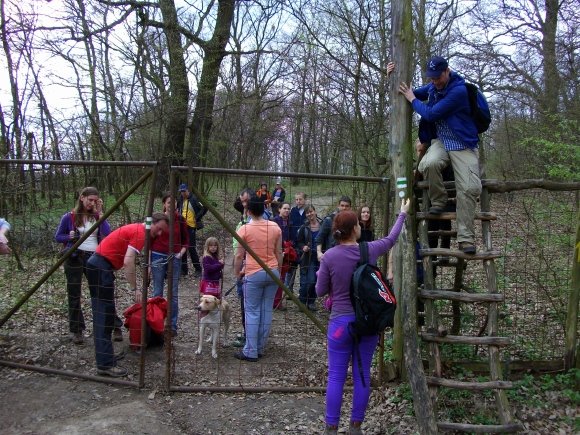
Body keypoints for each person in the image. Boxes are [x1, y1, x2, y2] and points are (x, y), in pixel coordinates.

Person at [315, 199, 410, 434]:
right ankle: (356, 427)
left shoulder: (328, 257)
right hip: (366, 324)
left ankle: (331, 428)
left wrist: (323, 275)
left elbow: (318, 291)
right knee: (362, 374)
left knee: (336, 377)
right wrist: (402, 213)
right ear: (355, 229)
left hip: (339, 324)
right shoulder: (369, 249)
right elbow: (391, 239)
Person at [397, 55, 482, 254]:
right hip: (441, 141)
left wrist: (412, 99)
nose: (435, 81)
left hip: (462, 143)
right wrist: (392, 75)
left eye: (438, 77)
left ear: (447, 71)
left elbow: (431, 113)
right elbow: (408, 91)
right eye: (432, 78)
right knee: (429, 163)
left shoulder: (458, 91)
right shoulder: (434, 88)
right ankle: (439, 200)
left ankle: (466, 238)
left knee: (469, 187)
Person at [86, 213, 169, 377]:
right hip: (101, 267)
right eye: (159, 229)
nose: (159, 234)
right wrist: (134, 288)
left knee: (107, 313)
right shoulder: (140, 233)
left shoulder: (139, 230)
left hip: (101, 266)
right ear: (151, 223)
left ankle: (106, 357)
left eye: (162, 232)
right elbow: (128, 261)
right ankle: (105, 364)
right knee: (103, 315)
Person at [54, 187, 111, 345]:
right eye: (89, 200)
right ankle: (77, 330)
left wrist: (100, 213)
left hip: (94, 258)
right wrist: (69, 236)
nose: (91, 203)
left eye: (95, 200)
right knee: (74, 294)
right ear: (82, 198)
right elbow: (58, 237)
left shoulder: (96, 216)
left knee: (100, 291)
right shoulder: (69, 217)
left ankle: (108, 326)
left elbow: (107, 232)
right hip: (74, 257)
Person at [233, 194, 282, 362]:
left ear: (249, 210)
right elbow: (278, 252)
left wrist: (237, 274)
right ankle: (260, 347)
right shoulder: (275, 227)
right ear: (264, 208)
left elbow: (239, 256)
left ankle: (251, 351)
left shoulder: (244, 229)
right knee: (266, 310)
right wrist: (278, 271)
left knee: (252, 311)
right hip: (273, 271)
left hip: (253, 273)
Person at [150, 193, 189, 337]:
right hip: (157, 257)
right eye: (168, 202)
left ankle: (172, 326)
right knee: (157, 292)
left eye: (174, 202)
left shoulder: (181, 220)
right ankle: (157, 324)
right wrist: (148, 264)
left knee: (173, 293)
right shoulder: (157, 219)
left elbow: (186, 241)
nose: (171, 205)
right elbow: (150, 241)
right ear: (163, 204)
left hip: (175, 257)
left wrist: (181, 253)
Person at [177, 183, 207, 277]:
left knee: (191, 247)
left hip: (191, 226)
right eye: (181, 191)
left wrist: (197, 217)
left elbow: (204, 208)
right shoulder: (180, 200)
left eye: (184, 191)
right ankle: (184, 269)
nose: (182, 193)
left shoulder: (194, 199)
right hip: (182, 226)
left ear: (187, 190)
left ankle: (198, 269)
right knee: (183, 248)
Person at [295, 204, 321, 311]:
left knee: (315, 281)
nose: (310, 214)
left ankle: (311, 301)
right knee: (308, 280)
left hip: (320, 257)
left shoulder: (323, 225)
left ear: (315, 211)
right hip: (308, 258)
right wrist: (303, 247)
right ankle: (302, 301)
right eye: (307, 212)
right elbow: (299, 242)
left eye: (311, 211)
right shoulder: (304, 228)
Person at [316, 196, 352, 261]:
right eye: (342, 205)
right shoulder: (329, 220)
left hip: (347, 257)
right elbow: (319, 238)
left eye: (347, 206)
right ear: (338, 206)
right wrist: (319, 252)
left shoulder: (352, 222)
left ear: (350, 208)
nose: (344, 208)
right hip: (331, 257)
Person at [286, 192, 307, 294]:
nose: (298, 201)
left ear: (305, 200)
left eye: (300, 199)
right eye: (297, 199)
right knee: (291, 268)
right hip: (293, 244)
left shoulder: (308, 211)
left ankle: (303, 293)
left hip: (304, 244)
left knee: (304, 269)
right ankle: (288, 290)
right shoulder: (292, 211)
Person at [272, 202, 293, 310]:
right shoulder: (274, 221)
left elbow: (292, 236)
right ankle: (274, 302)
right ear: (279, 209)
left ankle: (278, 301)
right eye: (284, 208)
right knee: (275, 277)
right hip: (275, 252)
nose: (287, 210)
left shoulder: (290, 222)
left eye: (288, 208)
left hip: (287, 253)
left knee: (282, 278)